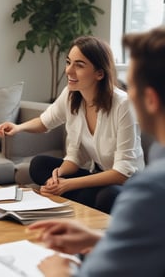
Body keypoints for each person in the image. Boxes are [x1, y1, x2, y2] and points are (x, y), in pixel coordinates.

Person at [27, 26, 165, 276]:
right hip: (99, 174)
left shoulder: (150, 189)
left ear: (151, 99)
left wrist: (58, 270)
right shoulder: (74, 97)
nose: (126, 94)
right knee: (42, 165)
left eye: (130, 86)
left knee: (107, 196)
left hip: (120, 181)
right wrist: (95, 240)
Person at [0, 36, 144, 213]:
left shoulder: (124, 105)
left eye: (79, 65)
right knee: (39, 165)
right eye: (68, 62)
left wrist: (68, 184)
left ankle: (79, 198)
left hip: (125, 183)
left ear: (99, 73)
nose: (69, 71)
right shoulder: (72, 94)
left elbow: (122, 173)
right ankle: (80, 199)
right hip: (96, 176)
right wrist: (58, 176)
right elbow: (46, 123)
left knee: (108, 196)